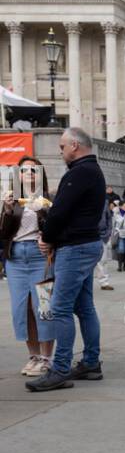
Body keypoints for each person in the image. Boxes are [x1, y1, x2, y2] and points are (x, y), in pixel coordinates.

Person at [25, 128, 107, 392]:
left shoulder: (79, 172)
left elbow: (60, 212)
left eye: (62, 147)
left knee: (60, 309)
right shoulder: (92, 170)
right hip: (87, 244)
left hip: (75, 248)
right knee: (84, 308)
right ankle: (91, 362)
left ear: (75, 145)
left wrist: (46, 237)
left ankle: (59, 369)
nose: (60, 152)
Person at [0, 157, 57, 377]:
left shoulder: (47, 199)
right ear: (18, 175)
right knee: (21, 309)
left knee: (42, 306)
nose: (29, 174)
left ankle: (46, 358)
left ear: (40, 174)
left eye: (34, 170)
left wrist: (46, 215)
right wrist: (5, 210)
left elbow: (58, 225)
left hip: (39, 255)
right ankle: (33, 356)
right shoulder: (12, 200)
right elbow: (3, 234)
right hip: (15, 257)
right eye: (24, 170)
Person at [93, 193, 115, 291]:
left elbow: (109, 218)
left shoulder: (104, 202)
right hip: (89, 235)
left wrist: (108, 232)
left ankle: (104, 282)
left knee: (103, 260)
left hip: (103, 235)